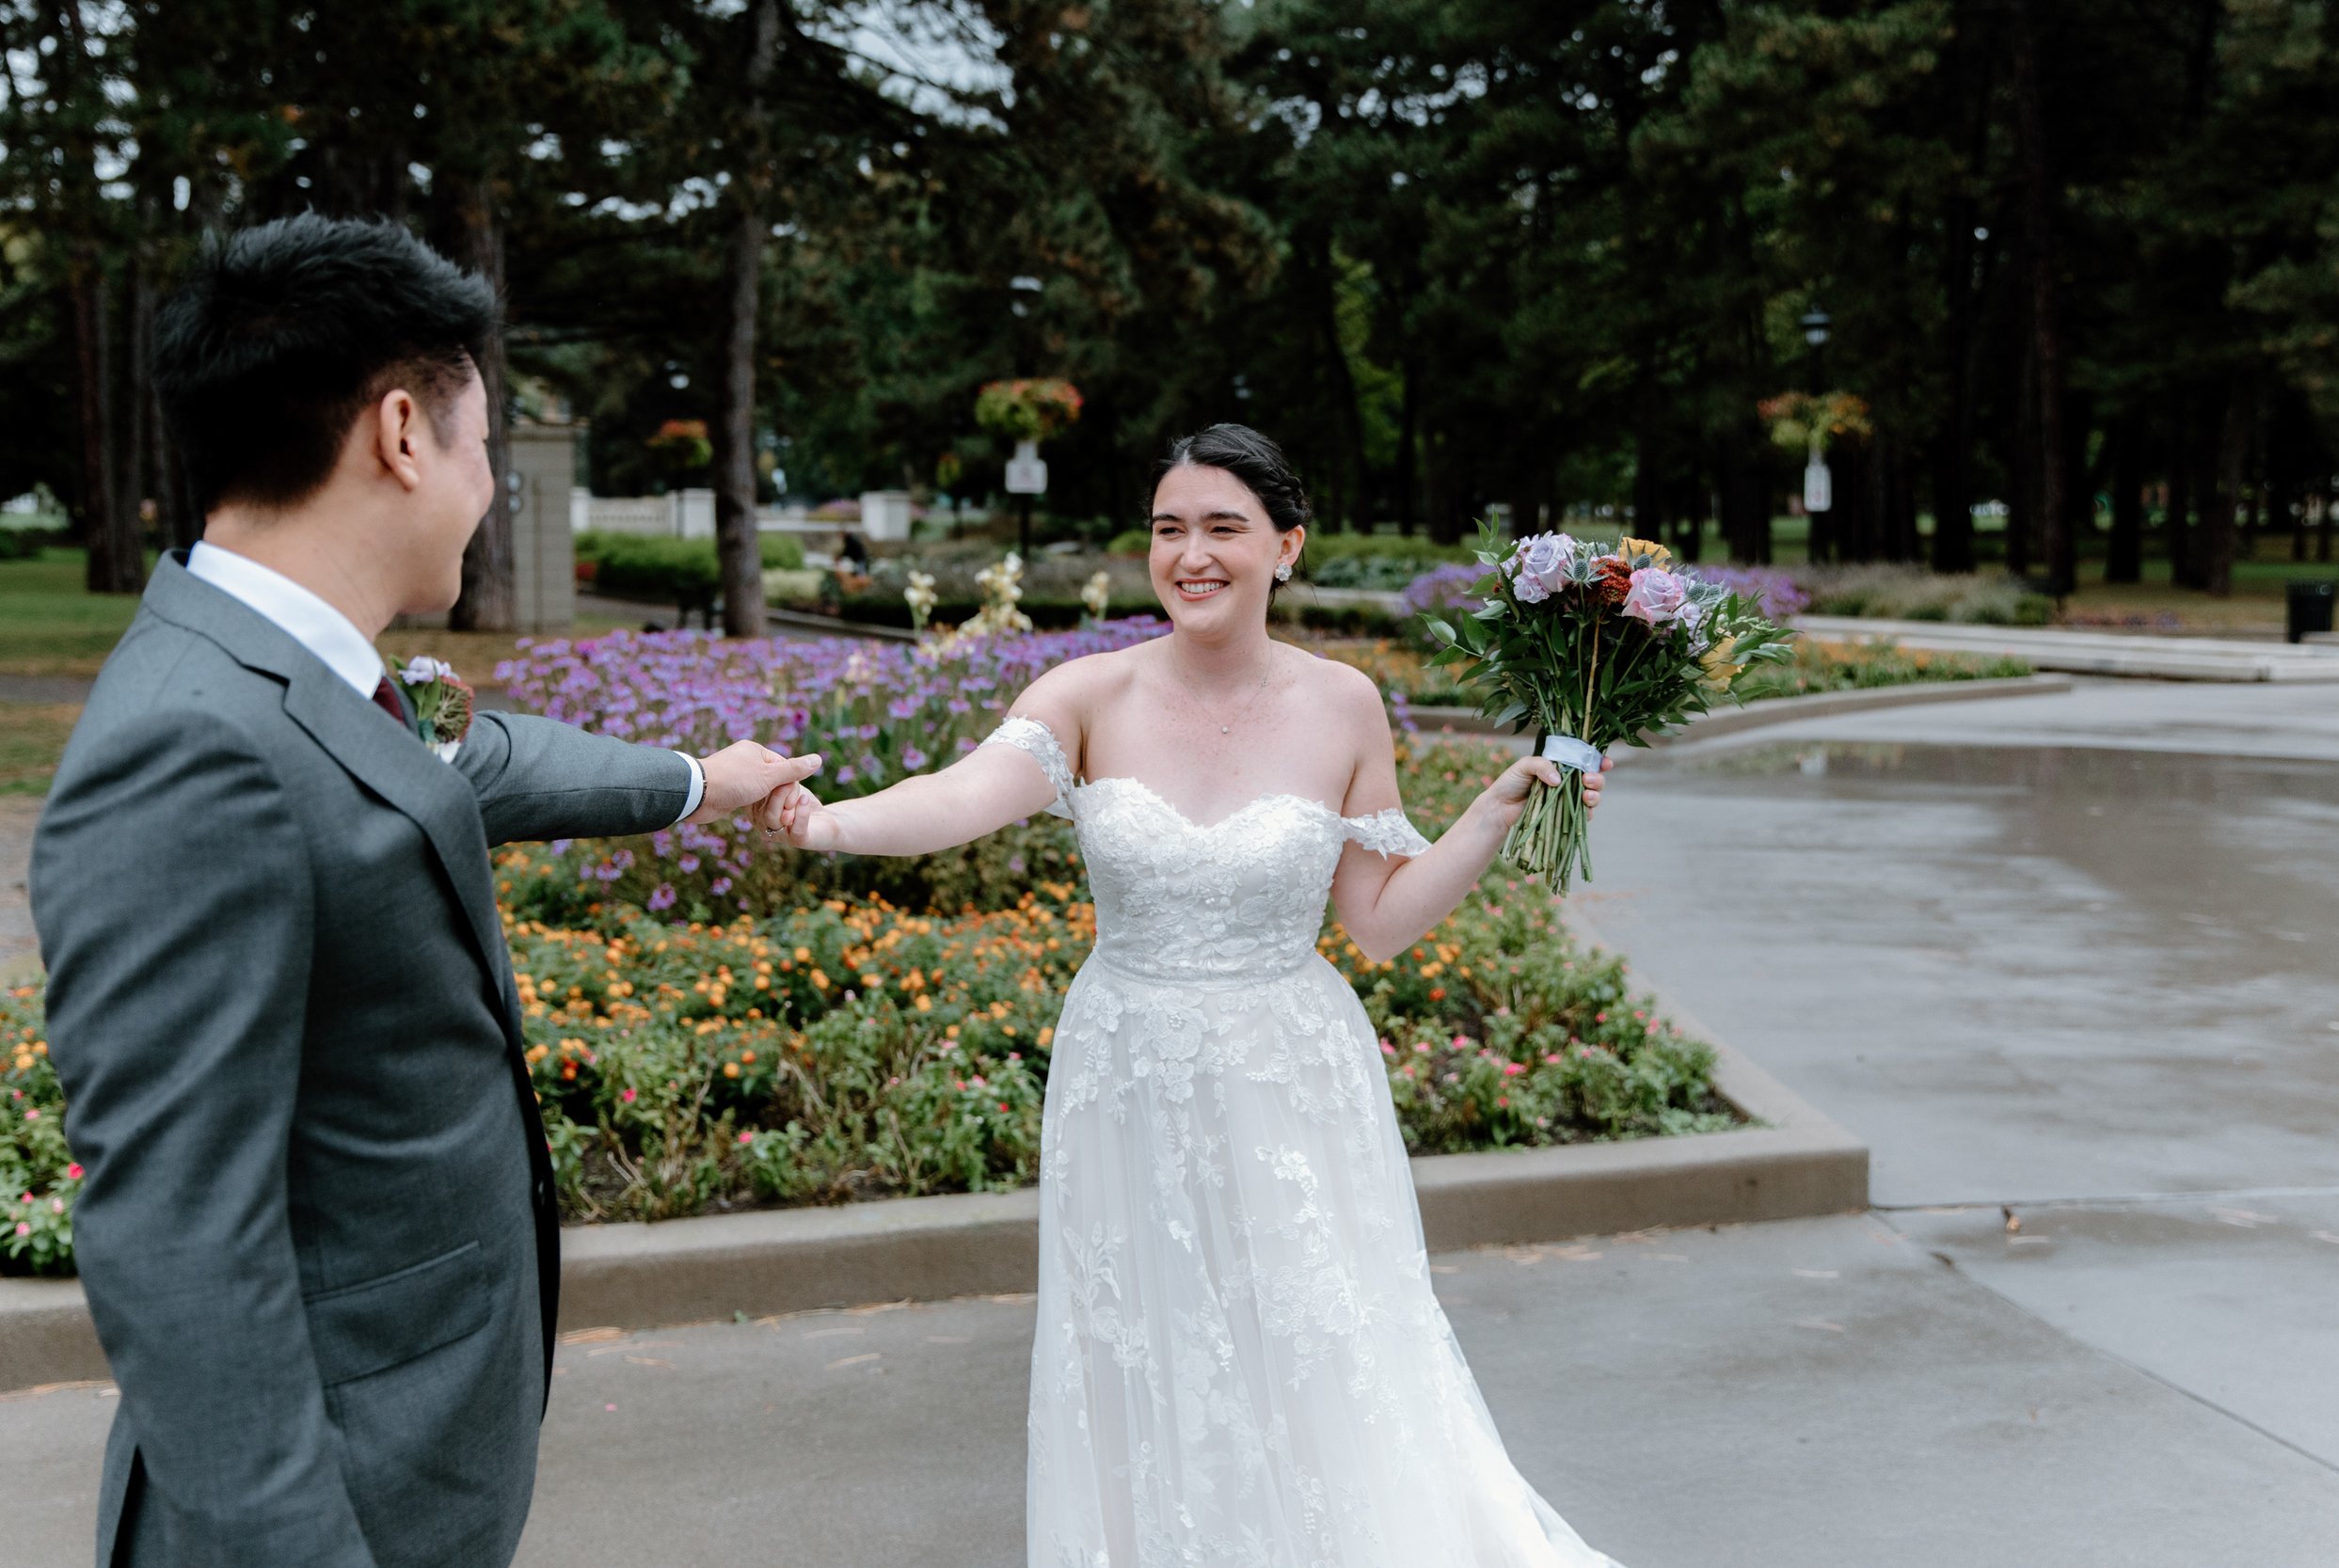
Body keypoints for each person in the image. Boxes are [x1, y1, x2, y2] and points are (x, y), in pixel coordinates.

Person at [29, 214, 819, 1568]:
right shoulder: (186, 749)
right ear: (402, 433)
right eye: (483, 446)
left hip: (416, 1452)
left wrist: (699, 776)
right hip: (331, 1502)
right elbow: (180, 1249)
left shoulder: (286, 665)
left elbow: (464, 758)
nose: (490, 487)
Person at [769, 423, 1625, 1566]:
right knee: (1148, 1346)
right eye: (1170, 528)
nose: (1191, 554)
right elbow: (961, 793)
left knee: (1313, 1335)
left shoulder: (1342, 704)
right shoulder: (1087, 691)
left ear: (1287, 546)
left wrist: (1492, 811)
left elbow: (1376, 920)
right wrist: (831, 823)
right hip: (1126, 1070)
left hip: (1292, 1073)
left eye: (1224, 527)